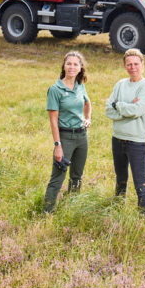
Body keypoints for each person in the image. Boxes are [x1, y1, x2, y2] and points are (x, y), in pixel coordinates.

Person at [105, 49, 145, 216]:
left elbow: (137, 110)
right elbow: (108, 110)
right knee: (120, 180)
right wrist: (127, 107)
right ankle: (118, 210)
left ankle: (144, 216)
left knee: (140, 182)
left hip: (137, 142)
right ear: (124, 66)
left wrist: (118, 105)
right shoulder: (120, 84)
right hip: (118, 139)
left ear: (142, 64)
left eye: (136, 64)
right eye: (129, 64)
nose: (132, 67)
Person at [44, 51, 92, 213]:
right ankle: (47, 213)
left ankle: (71, 209)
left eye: (75, 64)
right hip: (65, 138)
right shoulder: (55, 89)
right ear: (64, 66)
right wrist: (58, 145)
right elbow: (53, 120)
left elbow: (87, 103)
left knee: (77, 177)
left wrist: (88, 118)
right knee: (57, 178)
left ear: (80, 68)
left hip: (81, 137)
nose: (72, 67)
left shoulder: (80, 86)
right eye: (69, 64)